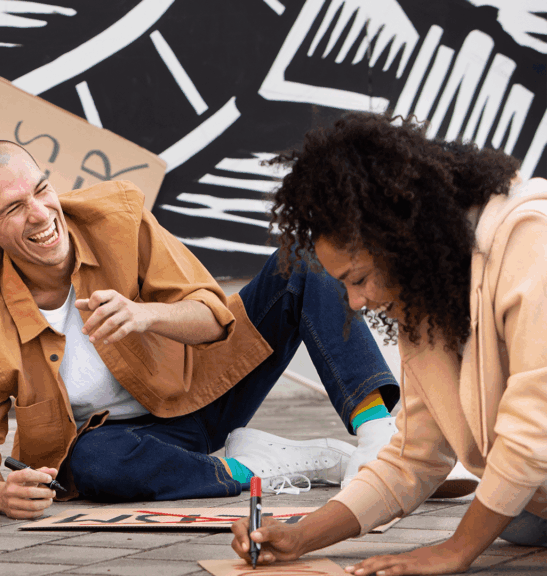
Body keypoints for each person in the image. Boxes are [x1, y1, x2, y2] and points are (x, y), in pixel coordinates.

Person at [0, 140, 402, 519]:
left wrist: (146, 315)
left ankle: (380, 440)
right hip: (136, 444)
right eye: (14, 208)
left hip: (211, 383)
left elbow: (213, 315)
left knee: (303, 260)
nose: (40, 213)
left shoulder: (116, 219)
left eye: (41, 189)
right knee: (93, 464)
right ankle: (250, 467)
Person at [229, 112, 547, 575]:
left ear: (401, 237)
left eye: (358, 279)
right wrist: (303, 535)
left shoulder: (528, 236)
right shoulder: (427, 292)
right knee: (513, 510)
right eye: (345, 287)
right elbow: (413, 457)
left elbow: (535, 423)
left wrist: (456, 549)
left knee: (510, 500)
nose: (356, 303)